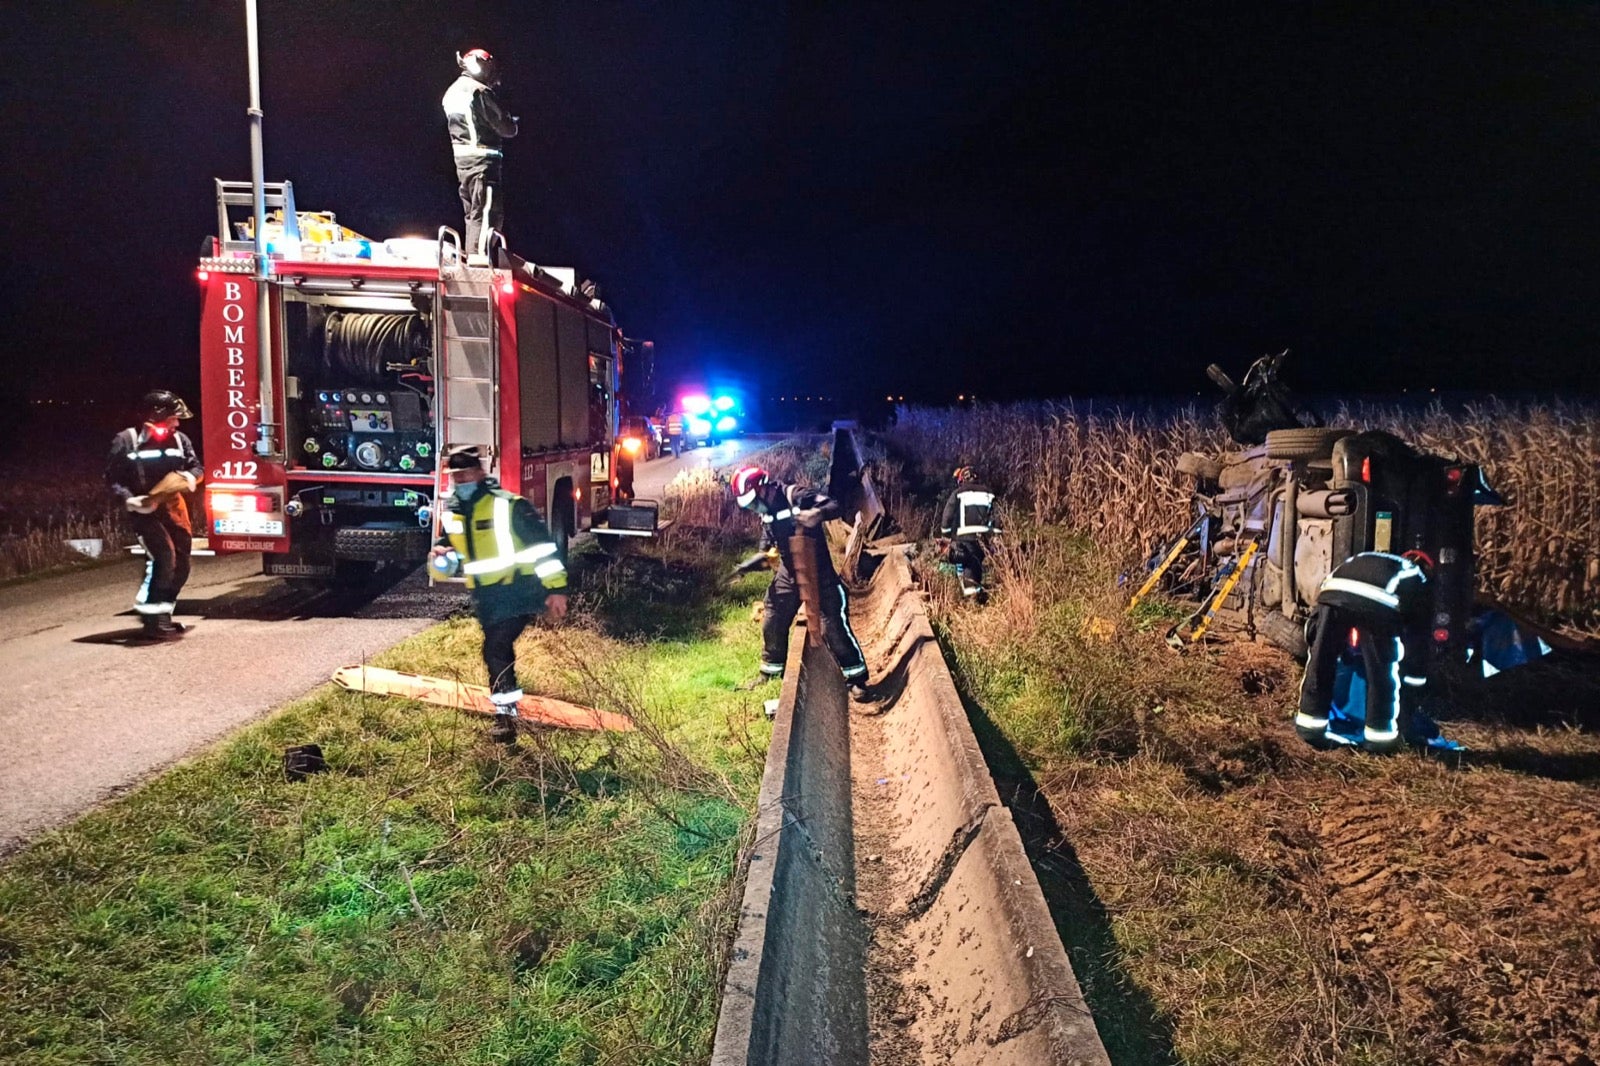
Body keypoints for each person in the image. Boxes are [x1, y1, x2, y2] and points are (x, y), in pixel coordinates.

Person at [430, 447, 568, 743]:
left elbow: (542, 549)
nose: (461, 480)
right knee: (497, 651)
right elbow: (450, 546)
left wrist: (556, 590)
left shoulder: (509, 506)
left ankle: (505, 719)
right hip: (486, 597)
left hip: (518, 591)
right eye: (456, 476)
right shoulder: (453, 510)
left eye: (466, 474)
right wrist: (443, 552)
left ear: (480, 473)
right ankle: (506, 710)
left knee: (495, 650)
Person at [730, 466, 872, 701]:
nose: (753, 508)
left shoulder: (795, 495)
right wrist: (746, 566)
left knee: (833, 627)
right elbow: (766, 552)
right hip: (789, 571)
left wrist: (816, 514)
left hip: (819, 570)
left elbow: (834, 505)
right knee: (773, 618)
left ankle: (856, 677)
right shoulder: (766, 513)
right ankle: (771, 671)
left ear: (762, 488)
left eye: (753, 502)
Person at [1295, 551, 1436, 753]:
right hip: (1378, 605)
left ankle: (1310, 727)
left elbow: (1314, 628)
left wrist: (1319, 643)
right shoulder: (1417, 576)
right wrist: (1415, 682)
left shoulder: (1366, 557)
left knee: (1321, 662)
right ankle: (1380, 740)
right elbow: (1418, 639)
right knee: (1382, 674)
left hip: (1332, 593)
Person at [106, 390, 203, 640]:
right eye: (173, 417)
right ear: (157, 415)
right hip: (143, 510)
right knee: (164, 556)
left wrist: (188, 478)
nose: (177, 423)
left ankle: (163, 614)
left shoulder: (180, 440)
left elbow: (195, 466)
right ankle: (152, 620)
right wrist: (130, 500)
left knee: (181, 562)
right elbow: (113, 478)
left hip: (172, 507)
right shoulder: (126, 440)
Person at [442, 48, 518, 259]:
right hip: (483, 164)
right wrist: (511, 121)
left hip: (464, 165)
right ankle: (478, 261)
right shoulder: (479, 91)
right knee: (487, 214)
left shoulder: (452, 92)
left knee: (473, 216)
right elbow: (506, 128)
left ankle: (473, 256)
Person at [938, 465, 997, 599]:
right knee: (976, 563)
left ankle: (971, 600)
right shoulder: (989, 493)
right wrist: (996, 535)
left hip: (964, 539)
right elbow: (996, 516)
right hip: (983, 539)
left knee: (967, 565)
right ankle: (977, 592)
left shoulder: (958, 493)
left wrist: (946, 535)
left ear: (962, 479)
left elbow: (947, 515)